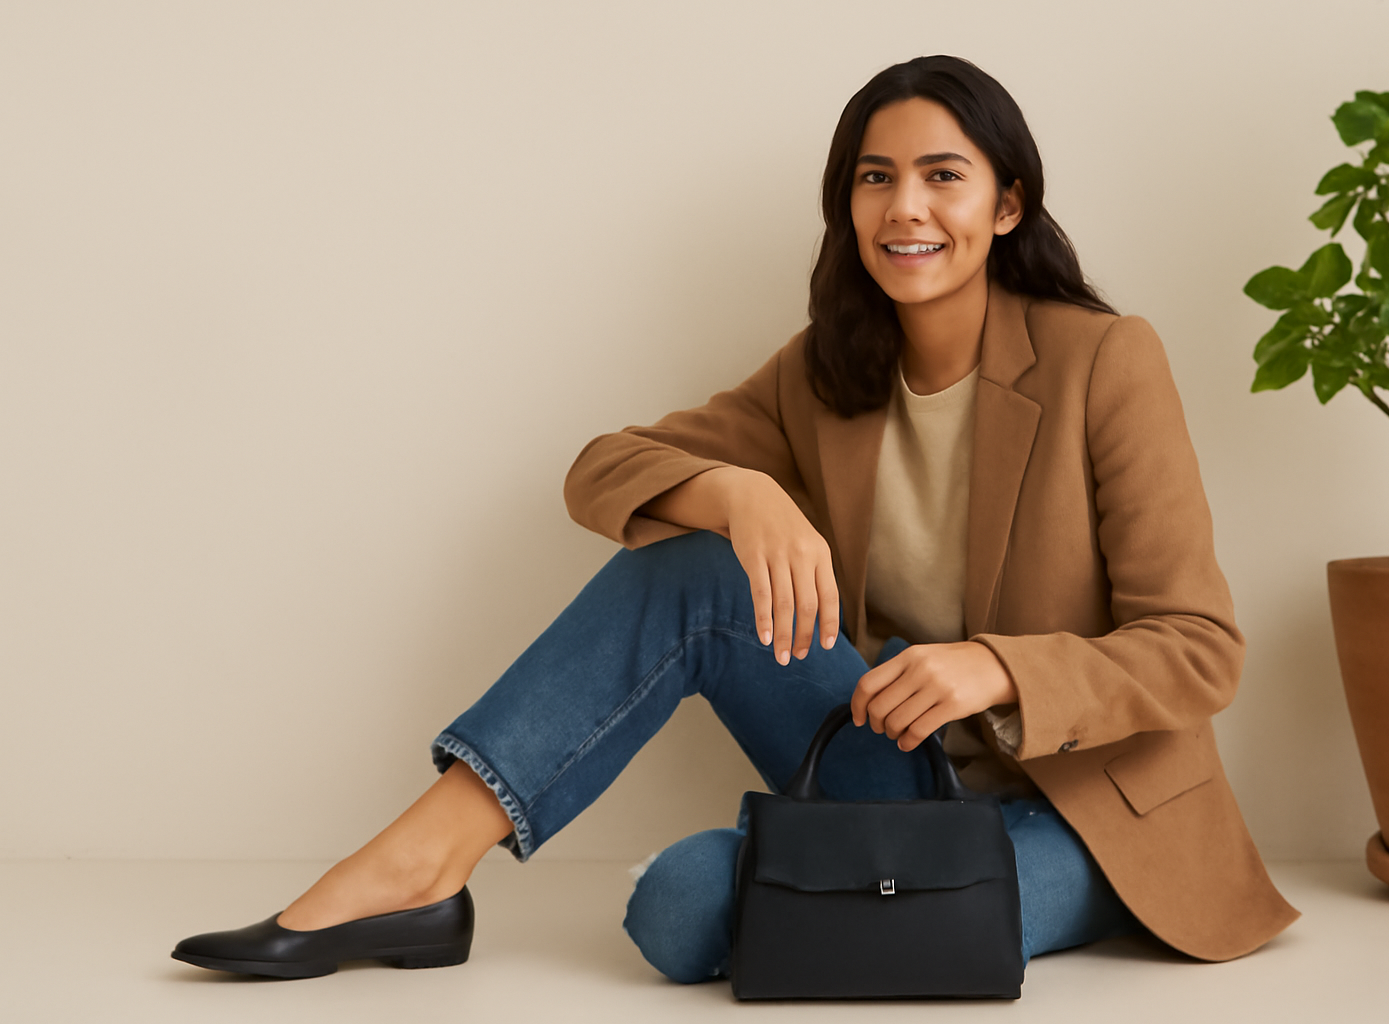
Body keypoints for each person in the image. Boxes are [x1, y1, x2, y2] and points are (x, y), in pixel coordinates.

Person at [172, 54, 1298, 983]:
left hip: (1082, 814)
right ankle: (419, 873)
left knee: (687, 905)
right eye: (874, 177)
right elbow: (601, 470)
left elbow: (1199, 648)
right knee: (692, 615)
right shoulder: (826, 376)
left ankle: (880, 884)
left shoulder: (1105, 361)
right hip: (896, 776)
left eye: (943, 176)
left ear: (1006, 205)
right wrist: (740, 493)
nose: (904, 207)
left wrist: (996, 669)